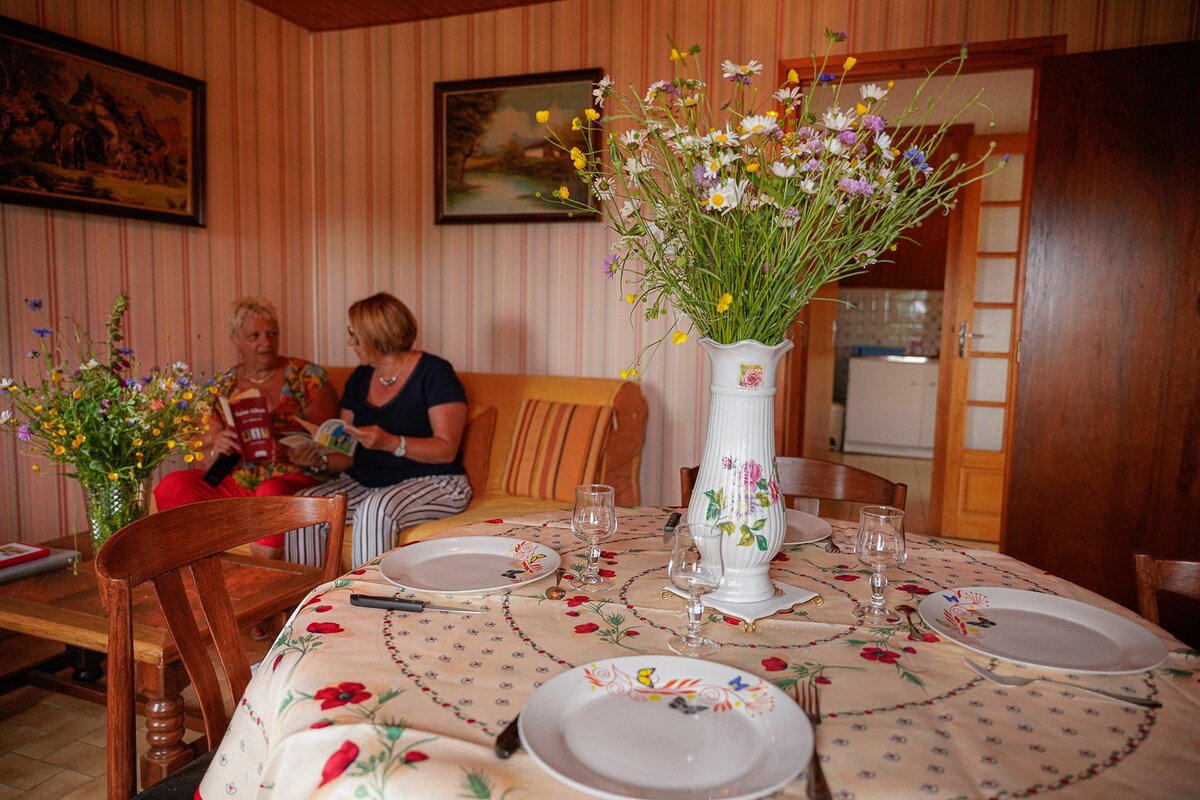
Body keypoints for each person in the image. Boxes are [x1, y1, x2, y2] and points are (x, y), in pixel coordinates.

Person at [285, 292, 472, 568]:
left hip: (437, 481)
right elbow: (347, 453)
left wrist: (390, 443)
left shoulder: (435, 373)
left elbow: (446, 450)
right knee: (305, 506)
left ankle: (368, 604)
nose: (350, 342)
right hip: (368, 482)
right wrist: (319, 459)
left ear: (377, 335)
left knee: (375, 509)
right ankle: (307, 606)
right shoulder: (359, 378)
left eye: (355, 335)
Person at [154, 297, 340, 560]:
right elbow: (205, 458)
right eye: (254, 335)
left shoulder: (306, 376)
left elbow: (331, 442)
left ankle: (263, 587)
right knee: (172, 485)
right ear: (236, 340)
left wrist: (290, 449)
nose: (266, 342)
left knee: (268, 494)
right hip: (239, 479)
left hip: (291, 478)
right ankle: (193, 571)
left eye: (272, 333)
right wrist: (218, 445)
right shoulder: (224, 384)